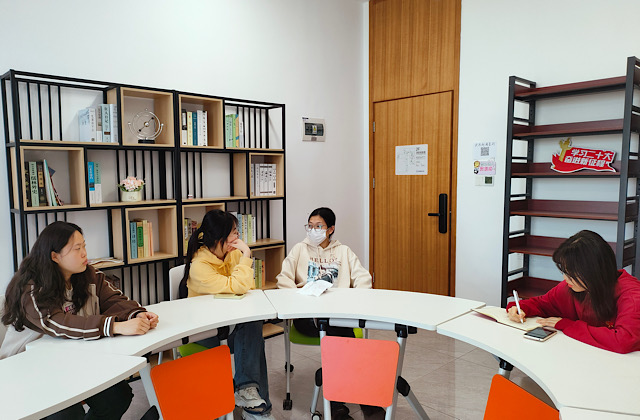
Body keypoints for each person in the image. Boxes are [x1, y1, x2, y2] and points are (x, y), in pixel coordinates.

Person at [1, 221, 159, 419]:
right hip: (28, 370)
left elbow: (114, 300)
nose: (85, 253)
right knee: (67, 413)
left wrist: (136, 314)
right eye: (77, 249)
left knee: (117, 397)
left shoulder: (87, 274)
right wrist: (114, 326)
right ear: (55, 256)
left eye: (84, 246)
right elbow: (58, 323)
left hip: (71, 360)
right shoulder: (31, 288)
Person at [277, 207, 381, 420]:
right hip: (308, 317)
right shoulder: (299, 250)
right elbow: (283, 278)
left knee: (336, 331)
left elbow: (363, 279)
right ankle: (364, 402)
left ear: (331, 229)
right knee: (342, 337)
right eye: (310, 226)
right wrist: (298, 298)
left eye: (319, 226)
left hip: (338, 314)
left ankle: (337, 406)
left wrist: (355, 300)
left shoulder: (344, 252)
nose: (313, 230)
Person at [180, 209, 274, 420]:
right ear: (219, 237)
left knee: (252, 328)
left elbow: (247, 286)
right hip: (204, 333)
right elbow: (239, 286)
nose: (238, 236)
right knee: (252, 340)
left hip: (228, 327)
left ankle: (250, 396)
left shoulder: (231, 255)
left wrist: (240, 263)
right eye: (234, 232)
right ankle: (255, 406)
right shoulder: (199, 267)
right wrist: (247, 254)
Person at [507, 230, 640, 354]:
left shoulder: (632, 295)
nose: (565, 278)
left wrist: (567, 325)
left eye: (571, 274)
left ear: (593, 271)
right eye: (564, 272)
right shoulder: (572, 287)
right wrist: (520, 308)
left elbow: (623, 340)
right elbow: (541, 304)